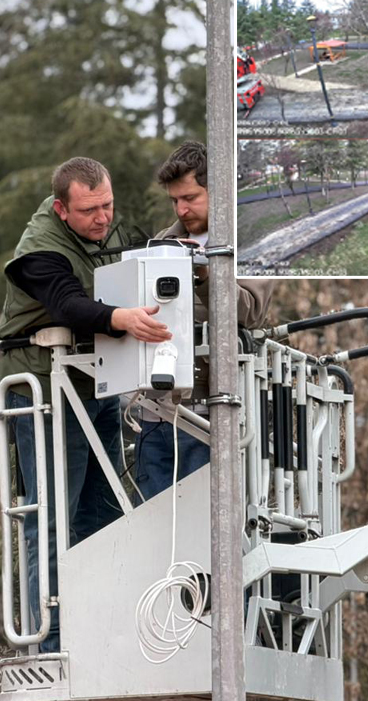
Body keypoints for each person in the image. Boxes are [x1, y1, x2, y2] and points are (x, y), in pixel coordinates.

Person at [0, 157, 173, 651]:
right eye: (90, 210)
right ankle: (52, 639)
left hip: (94, 384)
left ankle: (104, 634)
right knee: (52, 517)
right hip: (48, 393)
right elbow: (68, 302)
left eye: (108, 206)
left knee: (106, 511)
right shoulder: (40, 250)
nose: (102, 218)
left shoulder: (97, 237)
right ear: (61, 209)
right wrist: (123, 319)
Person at [135, 141, 273, 503]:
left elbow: (252, 312)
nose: (182, 209)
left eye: (191, 198)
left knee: (209, 536)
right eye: (174, 200)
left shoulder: (251, 241)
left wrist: (205, 272)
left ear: (220, 190)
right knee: (156, 533)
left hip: (216, 412)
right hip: (158, 410)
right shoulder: (162, 242)